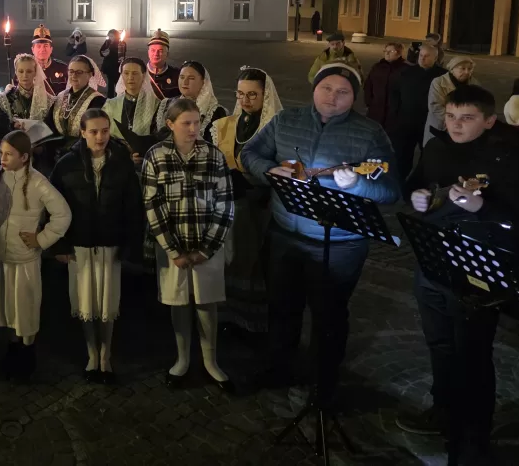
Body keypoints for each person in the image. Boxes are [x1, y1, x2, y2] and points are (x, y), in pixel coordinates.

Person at [242, 63, 400, 397]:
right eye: (326, 88)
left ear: (353, 97)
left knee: (329, 316)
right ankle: (278, 367)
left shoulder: (371, 133)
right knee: (282, 306)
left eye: (343, 92)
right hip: (285, 232)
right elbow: (249, 153)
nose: (333, 97)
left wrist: (358, 184)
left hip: (340, 245)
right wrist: (270, 170)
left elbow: (389, 190)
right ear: (314, 88)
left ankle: (323, 381)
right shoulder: (286, 121)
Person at [399, 85, 519, 462]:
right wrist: (417, 196)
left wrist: (482, 209)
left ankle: (473, 436)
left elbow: (517, 219)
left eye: (466, 118)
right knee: (439, 344)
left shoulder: (509, 156)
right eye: (450, 116)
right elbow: (415, 184)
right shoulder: (437, 148)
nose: (455, 125)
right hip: (432, 263)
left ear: (489, 120)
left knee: (473, 355)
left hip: (475, 271)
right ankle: (443, 409)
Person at [143, 98, 235, 392]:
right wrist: (173, 250)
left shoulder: (213, 156)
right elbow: (152, 205)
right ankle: (182, 359)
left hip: (206, 245)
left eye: (197, 122)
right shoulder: (156, 157)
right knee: (179, 302)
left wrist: (207, 248)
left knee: (207, 302)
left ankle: (211, 361)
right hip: (173, 247)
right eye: (186, 123)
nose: (194, 128)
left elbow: (225, 203)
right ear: (170, 125)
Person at [50, 109, 143, 383]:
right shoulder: (67, 164)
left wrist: (131, 244)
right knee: (86, 302)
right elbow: (56, 207)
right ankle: (92, 353)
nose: (100, 137)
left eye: (104, 130)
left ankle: (106, 354)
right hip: (79, 245)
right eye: (94, 131)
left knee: (107, 304)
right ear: (82, 132)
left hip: (109, 244)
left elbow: (132, 206)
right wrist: (60, 245)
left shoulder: (121, 161)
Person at [0, 131, 72, 382]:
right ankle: (12, 351)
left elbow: (62, 214)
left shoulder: (37, 182)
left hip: (23, 258)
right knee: (6, 306)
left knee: (24, 307)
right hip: (1, 254)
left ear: (24, 157)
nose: (3, 158)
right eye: (1, 153)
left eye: (9, 154)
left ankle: (27, 354)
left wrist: (41, 240)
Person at [210, 67, 283, 335]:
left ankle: (251, 321)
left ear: (266, 95)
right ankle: (228, 314)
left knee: (252, 261)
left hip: (259, 206)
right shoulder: (229, 124)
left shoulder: (275, 126)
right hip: (230, 201)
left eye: (253, 94)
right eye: (240, 94)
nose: (245, 100)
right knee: (229, 259)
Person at [384, 43, 445, 182]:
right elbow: (394, 93)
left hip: (429, 123)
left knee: (428, 155)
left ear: (435, 58)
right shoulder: (406, 73)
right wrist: (395, 113)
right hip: (406, 122)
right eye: (421, 55)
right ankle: (399, 181)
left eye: (427, 56)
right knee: (402, 155)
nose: (422, 59)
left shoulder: (442, 76)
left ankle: (423, 183)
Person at [103, 57, 159, 167]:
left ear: (143, 75)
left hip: (147, 162)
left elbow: (158, 136)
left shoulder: (156, 105)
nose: (130, 78)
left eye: (135, 73)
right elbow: (104, 135)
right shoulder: (110, 105)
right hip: (116, 160)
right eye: (126, 73)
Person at [45, 55, 106, 154]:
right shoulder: (61, 96)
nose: (74, 76)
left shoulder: (97, 100)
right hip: (56, 152)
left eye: (79, 72)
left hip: (81, 153)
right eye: (71, 71)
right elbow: (49, 124)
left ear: (90, 74)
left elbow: (93, 132)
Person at [156, 61, 227, 143]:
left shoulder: (215, 111)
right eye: (182, 77)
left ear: (203, 82)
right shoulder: (167, 104)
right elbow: (157, 137)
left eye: (191, 78)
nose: (185, 82)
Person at [424, 57, 477, 145]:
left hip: (464, 130)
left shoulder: (475, 84)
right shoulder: (438, 82)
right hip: (441, 128)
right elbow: (435, 106)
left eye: (470, 69)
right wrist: (455, 122)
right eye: (462, 68)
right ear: (452, 69)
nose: (467, 72)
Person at [363, 42, 408, 126]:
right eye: (385, 51)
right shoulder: (377, 67)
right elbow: (368, 85)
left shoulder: (405, 70)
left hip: (394, 113)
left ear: (399, 53)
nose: (387, 53)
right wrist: (368, 102)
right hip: (376, 110)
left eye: (391, 51)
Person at [29, 24, 69, 95]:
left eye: (46, 46)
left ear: (51, 49)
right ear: (32, 50)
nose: (42, 49)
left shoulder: (63, 68)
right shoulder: (26, 69)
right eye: (38, 46)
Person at [145, 29, 180, 99]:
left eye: (160, 51)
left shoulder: (177, 76)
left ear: (167, 54)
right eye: (153, 50)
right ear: (148, 53)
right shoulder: (140, 73)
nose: (156, 54)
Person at [99, 29, 122, 98]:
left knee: (117, 82)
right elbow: (101, 50)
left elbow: (120, 53)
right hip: (109, 67)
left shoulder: (120, 43)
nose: (110, 38)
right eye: (109, 36)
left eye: (112, 36)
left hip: (116, 66)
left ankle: (118, 95)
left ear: (116, 36)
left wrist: (110, 50)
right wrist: (103, 53)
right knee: (110, 83)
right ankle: (110, 97)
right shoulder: (107, 42)